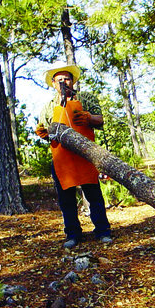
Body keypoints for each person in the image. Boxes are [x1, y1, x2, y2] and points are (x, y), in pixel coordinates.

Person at [36, 61, 112, 249]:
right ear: (53, 83)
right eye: (59, 79)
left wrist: (88, 117)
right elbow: (43, 130)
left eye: (67, 78)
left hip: (85, 156)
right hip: (62, 158)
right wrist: (43, 133)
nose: (63, 82)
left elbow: (100, 119)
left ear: (72, 81)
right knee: (66, 199)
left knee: (94, 196)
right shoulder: (48, 106)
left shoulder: (85, 98)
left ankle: (103, 232)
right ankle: (73, 234)